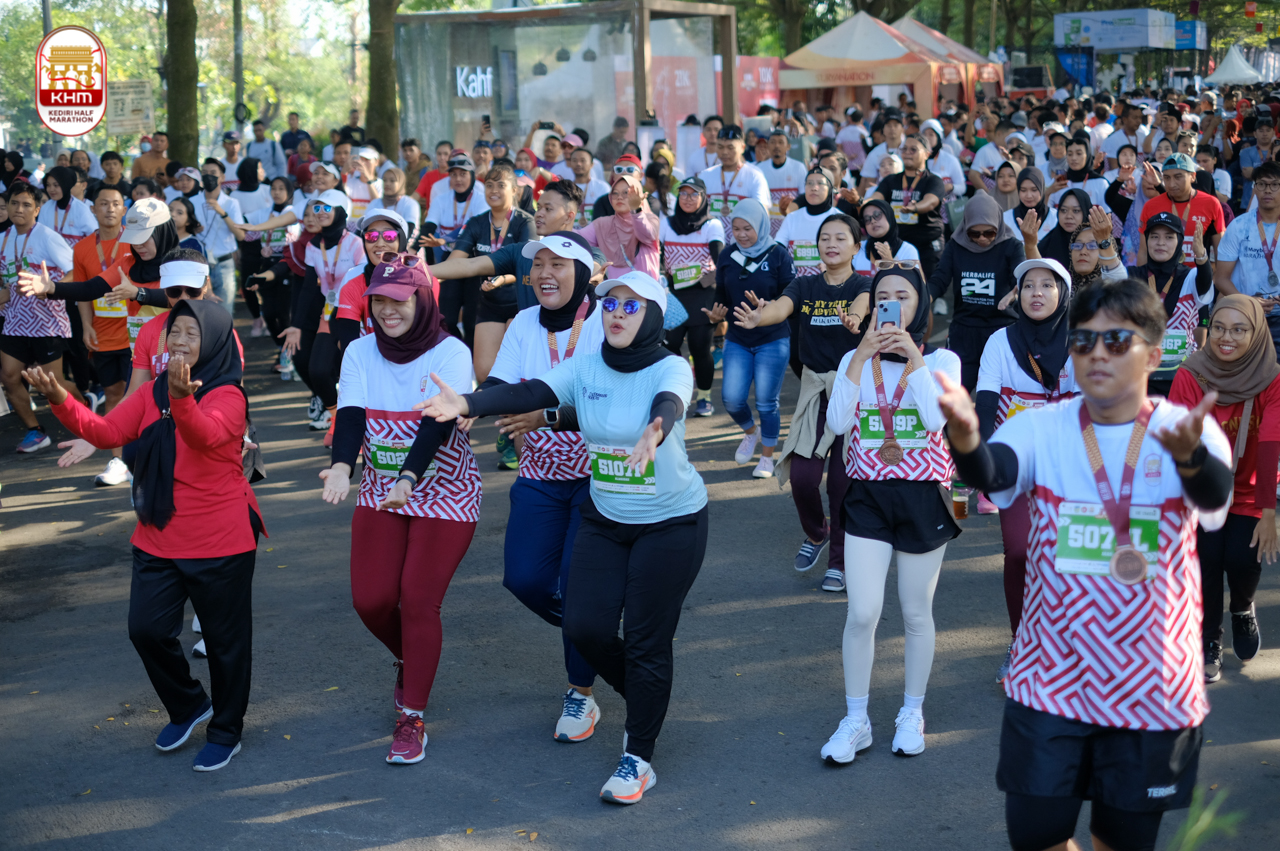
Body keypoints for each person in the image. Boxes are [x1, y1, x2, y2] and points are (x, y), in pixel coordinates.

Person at [937, 278, 1233, 851]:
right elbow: (995, 473)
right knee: (1036, 836)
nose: (1097, 353)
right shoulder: (1041, 427)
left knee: (1121, 841)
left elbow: (1215, 496)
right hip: (1051, 678)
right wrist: (967, 441)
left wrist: (1190, 458)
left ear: (1154, 352)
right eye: (1083, 341)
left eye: (1117, 341)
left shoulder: (1185, 430)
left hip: (1151, 685)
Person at [419, 269, 708, 805]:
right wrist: (467, 403)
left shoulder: (670, 366)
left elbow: (669, 402)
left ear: (653, 315)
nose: (617, 314)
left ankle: (638, 756)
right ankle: (647, 692)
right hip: (606, 516)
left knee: (646, 639)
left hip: (671, 523)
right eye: (611, 304)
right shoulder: (587, 365)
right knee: (583, 625)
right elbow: (532, 390)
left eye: (632, 306)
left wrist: (657, 428)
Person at [26, 297, 265, 772]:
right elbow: (106, 431)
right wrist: (60, 399)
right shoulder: (154, 390)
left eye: (192, 333)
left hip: (220, 540)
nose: (180, 340)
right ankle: (189, 705)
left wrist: (181, 397)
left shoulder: (229, 395)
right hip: (158, 535)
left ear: (215, 342)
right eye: (174, 331)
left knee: (225, 644)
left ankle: (226, 730)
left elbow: (202, 435)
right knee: (146, 630)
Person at [319, 253, 477, 765]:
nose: (388, 310)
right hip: (380, 488)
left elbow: (435, 426)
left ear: (422, 300)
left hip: (445, 491)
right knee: (371, 600)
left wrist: (409, 478)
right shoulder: (360, 351)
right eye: (379, 301)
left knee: (418, 601)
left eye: (399, 300)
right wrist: (342, 467)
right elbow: (351, 415)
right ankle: (413, 659)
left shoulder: (451, 352)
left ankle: (412, 717)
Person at [819, 266, 961, 764]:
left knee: (916, 612)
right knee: (862, 612)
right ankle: (856, 719)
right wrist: (861, 356)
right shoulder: (854, 358)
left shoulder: (942, 359)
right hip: (868, 496)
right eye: (883, 296)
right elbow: (837, 423)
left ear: (919, 305)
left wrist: (914, 356)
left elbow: (937, 419)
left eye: (904, 296)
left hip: (924, 496)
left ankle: (911, 711)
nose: (892, 305)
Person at [470, 233, 608, 741]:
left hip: (599, 478)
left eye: (558, 264)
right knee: (524, 580)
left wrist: (545, 415)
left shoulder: (606, 319)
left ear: (584, 272)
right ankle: (593, 629)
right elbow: (502, 385)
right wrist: (467, 406)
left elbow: (610, 399)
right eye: (539, 265)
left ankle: (581, 693)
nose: (545, 273)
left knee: (577, 583)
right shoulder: (525, 322)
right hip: (539, 476)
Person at [732, 213, 871, 592]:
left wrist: (854, 318)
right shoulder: (805, 284)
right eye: (825, 238)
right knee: (803, 479)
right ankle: (817, 533)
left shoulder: (864, 284)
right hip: (815, 394)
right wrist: (761, 317)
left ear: (856, 247)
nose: (831, 244)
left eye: (840, 238)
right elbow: (781, 307)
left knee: (841, 485)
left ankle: (839, 563)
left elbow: (862, 303)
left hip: (853, 394)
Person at [974, 258, 1076, 680]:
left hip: (1070, 471)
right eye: (1028, 285)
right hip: (1015, 467)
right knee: (1019, 552)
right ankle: (1021, 643)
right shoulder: (999, 341)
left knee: (1068, 560)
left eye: (1047, 285)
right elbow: (985, 404)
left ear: (1063, 293)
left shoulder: (1083, 340)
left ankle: (1070, 645)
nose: (1036, 293)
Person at [1169, 295, 1277, 684]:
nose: (1225, 338)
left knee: (1243, 560)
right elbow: (1178, 440)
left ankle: (1243, 608)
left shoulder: (1271, 377)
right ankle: (1208, 639)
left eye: (1238, 330)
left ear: (1257, 333)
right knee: (1206, 561)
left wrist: (1269, 513)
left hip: (1249, 490)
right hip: (1203, 490)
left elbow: (1270, 443)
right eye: (1218, 328)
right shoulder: (1191, 374)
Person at [703, 199, 796, 477]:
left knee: (766, 402)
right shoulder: (728, 255)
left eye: (748, 228)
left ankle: (767, 457)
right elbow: (722, 293)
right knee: (732, 399)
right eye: (736, 228)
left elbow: (791, 296)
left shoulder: (778, 254)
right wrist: (716, 314)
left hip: (773, 338)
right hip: (738, 338)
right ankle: (751, 432)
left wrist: (769, 306)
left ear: (762, 226)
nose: (741, 234)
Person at [0, 182, 85, 452]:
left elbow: (76, 271)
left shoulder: (47, 237)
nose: (19, 209)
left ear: (37, 210)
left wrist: (50, 288)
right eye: (14, 203)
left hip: (46, 321)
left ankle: (86, 415)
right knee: (9, 376)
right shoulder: (3, 238)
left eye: (26, 205)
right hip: (15, 321)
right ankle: (36, 431)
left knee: (52, 383)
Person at [928, 192, 1026, 392]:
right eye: (974, 233)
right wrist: (921, 299)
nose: (982, 238)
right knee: (955, 395)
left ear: (998, 225)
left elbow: (1022, 277)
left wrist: (1015, 291)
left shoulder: (1012, 246)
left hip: (1001, 330)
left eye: (989, 233)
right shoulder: (956, 246)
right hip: (965, 331)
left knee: (1000, 396)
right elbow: (940, 279)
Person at [451, 162, 534, 378]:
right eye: (489, 185)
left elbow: (526, 267)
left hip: (520, 304)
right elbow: (455, 261)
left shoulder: (526, 222)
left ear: (514, 190)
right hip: (489, 303)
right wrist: (425, 271)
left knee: (518, 374)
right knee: (484, 375)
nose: (493, 190)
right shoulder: (476, 223)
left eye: (500, 185)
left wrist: (502, 279)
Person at [1125, 211, 1213, 397]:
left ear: (1179, 241)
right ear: (1147, 241)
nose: (1161, 243)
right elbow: (1111, 274)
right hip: (1140, 376)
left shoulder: (1190, 277)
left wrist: (1201, 256)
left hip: (1182, 376)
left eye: (1169, 237)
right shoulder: (1131, 276)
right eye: (1154, 237)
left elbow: (1205, 283)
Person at [660, 176, 724, 417]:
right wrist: (664, 277)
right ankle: (681, 389)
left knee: (699, 347)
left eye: (694, 194)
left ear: (703, 197)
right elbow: (656, 256)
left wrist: (705, 280)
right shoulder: (666, 223)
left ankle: (704, 397)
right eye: (683, 193)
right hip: (674, 294)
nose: (688, 198)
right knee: (670, 346)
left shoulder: (712, 225)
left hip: (703, 294)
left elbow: (721, 262)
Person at [1216, 160, 1280, 354]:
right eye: (1261, 184)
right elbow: (1221, 278)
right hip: (1244, 316)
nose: (1267, 190)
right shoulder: (1239, 226)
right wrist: (1248, 302)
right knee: (1245, 370)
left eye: (1274, 185)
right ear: (1254, 188)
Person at [867, 135, 947, 279]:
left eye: (913, 149)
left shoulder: (933, 180)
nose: (907, 153)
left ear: (927, 154)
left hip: (927, 244)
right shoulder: (890, 180)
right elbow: (875, 199)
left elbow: (930, 202)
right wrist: (860, 201)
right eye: (904, 149)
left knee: (926, 285)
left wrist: (915, 208)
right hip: (898, 243)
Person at [1137, 154, 1224, 268]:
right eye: (1167, 178)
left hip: (1197, 274)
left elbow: (1220, 250)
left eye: (1178, 177)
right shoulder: (1151, 206)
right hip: (1161, 275)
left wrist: (1216, 277)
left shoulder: (1211, 203)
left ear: (1192, 176)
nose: (1171, 184)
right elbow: (1143, 252)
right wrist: (1140, 279)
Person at [576, 174, 660, 281]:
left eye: (626, 193)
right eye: (615, 193)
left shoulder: (650, 219)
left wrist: (636, 210)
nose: (619, 197)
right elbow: (577, 238)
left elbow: (646, 234)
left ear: (638, 195)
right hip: (615, 289)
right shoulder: (602, 224)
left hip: (644, 289)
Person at [697, 124, 770, 239]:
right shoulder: (705, 176)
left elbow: (762, 214)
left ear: (742, 147)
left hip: (743, 242)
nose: (725, 152)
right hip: (711, 242)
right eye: (720, 147)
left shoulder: (754, 175)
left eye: (730, 147)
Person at [192, 161, 245, 314]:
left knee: (224, 313)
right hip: (199, 264)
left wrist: (223, 213)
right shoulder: (192, 202)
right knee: (199, 313)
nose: (209, 177)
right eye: (205, 173)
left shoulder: (231, 203)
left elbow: (241, 235)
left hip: (224, 264)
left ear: (222, 177)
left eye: (213, 173)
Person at [421, 152, 486, 262]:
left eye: (463, 174)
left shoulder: (482, 198)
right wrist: (412, 249)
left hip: (474, 257)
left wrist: (445, 239)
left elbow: (470, 226)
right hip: (447, 253)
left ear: (472, 176)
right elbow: (429, 226)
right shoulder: (440, 199)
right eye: (453, 175)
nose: (458, 179)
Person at [775, 168, 837, 279]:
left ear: (830, 188)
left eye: (820, 183)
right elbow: (778, 249)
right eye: (809, 183)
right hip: (795, 283)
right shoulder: (792, 218)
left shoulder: (839, 219)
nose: (814, 188)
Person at [758, 131, 808, 235]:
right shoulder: (760, 169)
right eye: (773, 142)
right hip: (767, 228)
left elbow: (804, 197)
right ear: (767, 146)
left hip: (792, 226)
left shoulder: (798, 168)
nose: (776, 146)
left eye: (781, 142)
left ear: (788, 146)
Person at [854, 199, 919, 275]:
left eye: (877, 215)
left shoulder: (907, 250)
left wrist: (890, 263)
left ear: (889, 216)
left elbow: (913, 281)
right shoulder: (858, 248)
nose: (873, 221)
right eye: (867, 219)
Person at [39, 166, 97, 245]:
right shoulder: (46, 208)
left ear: (66, 185)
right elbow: (41, 237)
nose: (51, 189)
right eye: (48, 185)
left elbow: (95, 237)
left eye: (56, 185)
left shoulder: (81, 209)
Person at [1003, 168, 1057, 240]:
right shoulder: (1005, 219)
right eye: (1023, 190)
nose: (1029, 196)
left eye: (1034, 190)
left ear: (1041, 189)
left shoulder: (1055, 218)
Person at [565, 148, 610, 227]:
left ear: (592, 164)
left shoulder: (603, 188)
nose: (578, 164)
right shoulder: (565, 188)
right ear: (570, 164)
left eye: (583, 161)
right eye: (574, 160)